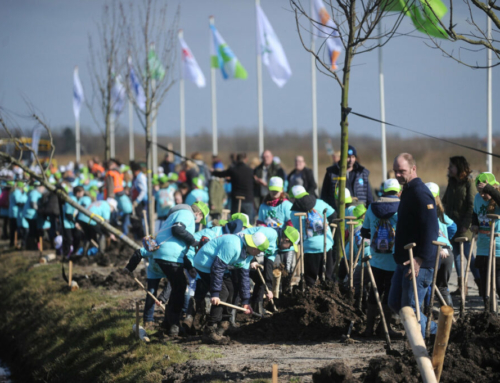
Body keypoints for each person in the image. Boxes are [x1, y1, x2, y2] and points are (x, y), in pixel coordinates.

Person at [388, 153, 438, 339]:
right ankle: (435, 330)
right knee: (395, 302)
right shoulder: (408, 190)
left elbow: (431, 229)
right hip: (404, 260)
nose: (398, 175)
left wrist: (420, 258)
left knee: (411, 310)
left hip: (419, 263)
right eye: (395, 171)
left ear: (413, 169)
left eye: (402, 171)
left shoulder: (420, 193)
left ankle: (425, 341)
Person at [193, 232, 269, 344]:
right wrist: (214, 293)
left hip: (220, 267)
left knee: (232, 290)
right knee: (222, 294)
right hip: (205, 264)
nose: (259, 254)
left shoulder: (248, 253)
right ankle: (210, 330)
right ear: (254, 248)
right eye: (259, 251)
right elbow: (217, 268)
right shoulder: (233, 246)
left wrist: (246, 301)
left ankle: (224, 324)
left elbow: (244, 277)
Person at [152, 202, 208, 336]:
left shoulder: (177, 213)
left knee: (177, 287)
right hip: (170, 254)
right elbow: (177, 230)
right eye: (201, 219)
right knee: (180, 288)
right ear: (198, 213)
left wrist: (188, 267)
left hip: (163, 253)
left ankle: (168, 324)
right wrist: (193, 241)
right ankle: (174, 326)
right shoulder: (187, 214)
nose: (199, 221)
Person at [361, 178, 402, 338]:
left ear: (383, 191)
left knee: (375, 291)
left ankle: (368, 328)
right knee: (390, 292)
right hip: (394, 259)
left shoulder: (372, 207)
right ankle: (385, 328)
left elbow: (364, 232)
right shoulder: (402, 207)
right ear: (398, 191)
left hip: (376, 258)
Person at [441, 156, 479, 295]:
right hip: (452, 226)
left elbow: (472, 205)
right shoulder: (451, 182)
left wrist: (465, 224)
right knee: (456, 255)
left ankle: (481, 284)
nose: (449, 168)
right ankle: (462, 287)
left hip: (464, 226)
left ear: (459, 167)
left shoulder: (469, 182)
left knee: (469, 255)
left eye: (451, 166)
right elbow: (444, 201)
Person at [290, 185, 336, 285]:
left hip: (309, 247)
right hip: (325, 244)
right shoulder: (320, 203)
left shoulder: (293, 213)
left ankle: (311, 297)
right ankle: (329, 296)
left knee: (310, 278)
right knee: (328, 278)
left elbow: (298, 230)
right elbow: (333, 215)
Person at [471, 172, 500, 304]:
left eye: (484, 192)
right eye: (480, 191)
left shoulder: (497, 196)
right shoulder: (477, 198)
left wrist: (491, 191)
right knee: (484, 284)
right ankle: (488, 310)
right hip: (483, 246)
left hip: (497, 246)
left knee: (498, 283)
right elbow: (475, 213)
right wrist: (475, 224)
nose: (482, 195)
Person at [425, 182, 456, 307]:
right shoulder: (442, 214)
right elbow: (453, 227)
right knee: (443, 287)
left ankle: (427, 312)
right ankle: (449, 314)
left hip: (433, 251)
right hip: (447, 251)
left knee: (427, 285)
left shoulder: (424, 213)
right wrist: (446, 238)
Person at [321, 145, 373, 209]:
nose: (351, 160)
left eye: (353, 157)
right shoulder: (331, 173)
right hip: (338, 213)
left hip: (359, 213)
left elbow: (369, 196)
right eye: (348, 157)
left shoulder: (362, 173)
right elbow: (324, 195)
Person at [211, 153, 255, 222]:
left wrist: (213, 172)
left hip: (236, 199)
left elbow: (222, 174)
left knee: (234, 221)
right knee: (249, 221)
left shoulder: (233, 170)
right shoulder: (250, 171)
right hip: (248, 199)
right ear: (246, 159)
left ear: (236, 160)